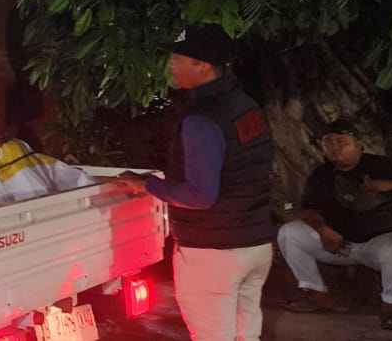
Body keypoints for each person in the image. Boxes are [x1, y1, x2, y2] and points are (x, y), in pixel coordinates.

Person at [116, 26, 274, 341]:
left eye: (178, 58)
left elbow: (200, 195)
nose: (171, 64)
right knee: (246, 335)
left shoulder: (203, 119)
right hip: (256, 244)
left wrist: (148, 185)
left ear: (203, 66)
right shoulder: (246, 105)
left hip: (215, 253)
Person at [279, 118, 392, 331]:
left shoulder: (383, 166)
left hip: (378, 247)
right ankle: (315, 296)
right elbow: (308, 209)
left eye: (341, 142)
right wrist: (323, 231)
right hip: (338, 244)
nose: (334, 148)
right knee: (289, 233)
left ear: (359, 144)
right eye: (328, 142)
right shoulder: (321, 174)